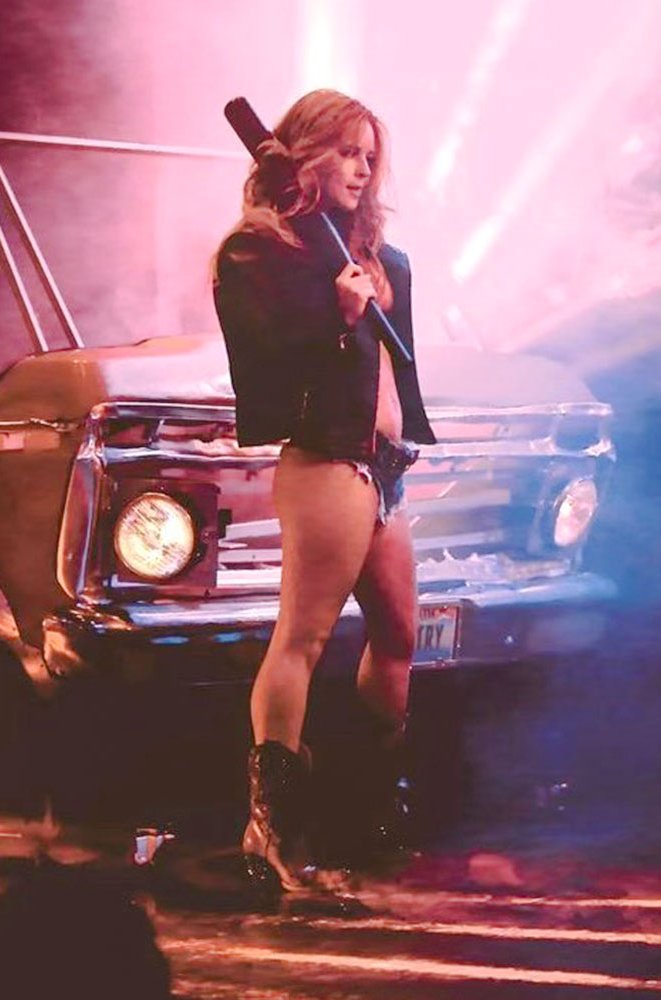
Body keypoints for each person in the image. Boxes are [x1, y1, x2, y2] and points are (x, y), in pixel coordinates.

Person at [212, 89, 435, 891]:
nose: (362, 169)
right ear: (305, 153)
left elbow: (397, 375)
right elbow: (266, 369)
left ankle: (367, 805)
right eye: (346, 151)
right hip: (325, 461)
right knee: (302, 637)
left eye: (370, 157)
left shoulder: (384, 260)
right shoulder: (258, 253)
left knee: (400, 637)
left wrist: (408, 439)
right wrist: (336, 315)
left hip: (385, 468)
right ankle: (269, 825)